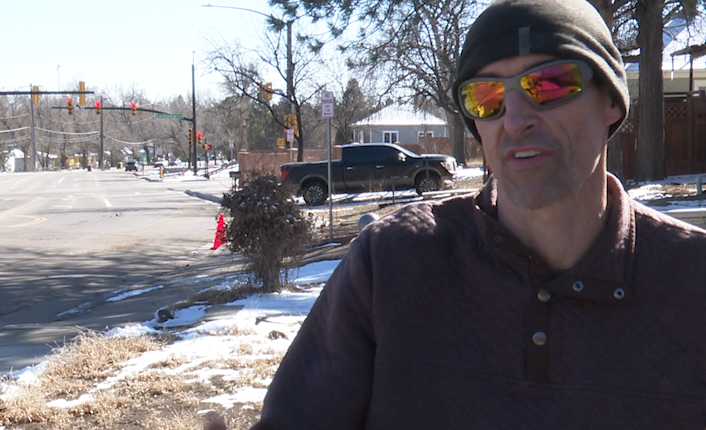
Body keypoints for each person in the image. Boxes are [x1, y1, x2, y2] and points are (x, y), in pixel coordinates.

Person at [251, 0, 706, 428]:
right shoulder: (390, 265)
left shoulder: (693, 280)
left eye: (550, 83)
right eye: (486, 98)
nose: (515, 119)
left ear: (612, 101)